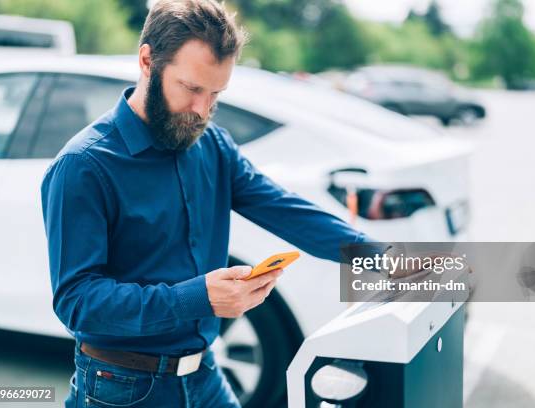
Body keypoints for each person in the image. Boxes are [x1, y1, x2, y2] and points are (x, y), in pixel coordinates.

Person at [41, 1, 372, 407]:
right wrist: (199, 298)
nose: (202, 110)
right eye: (192, 88)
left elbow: (279, 205)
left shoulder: (212, 143)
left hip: (204, 375)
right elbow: (78, 303)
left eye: (216, 93)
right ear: (147, 61)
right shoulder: (83, 166)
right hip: (122, 387)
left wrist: (375, 254)